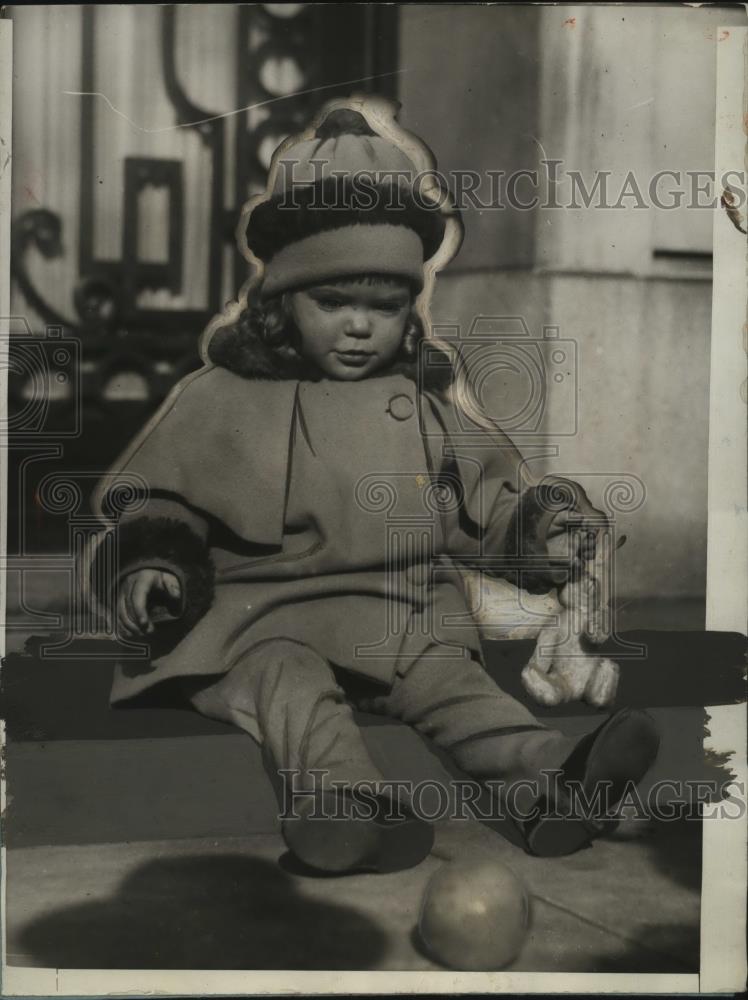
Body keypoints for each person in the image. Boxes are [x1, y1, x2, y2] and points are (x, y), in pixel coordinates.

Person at [91, 99, 659, 875]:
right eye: (333, 303)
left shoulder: (423, 409)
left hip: (402, 618)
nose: (360, 326)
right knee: (289, 689)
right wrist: (152, 560)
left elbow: (481, 507)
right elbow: (160, 500)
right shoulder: (221, 398)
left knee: (459, 688)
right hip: (263, 621)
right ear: (282, 301)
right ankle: (343, 809)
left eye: (384, 307)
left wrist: (537, 531)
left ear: (409, 312)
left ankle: (552, 782)